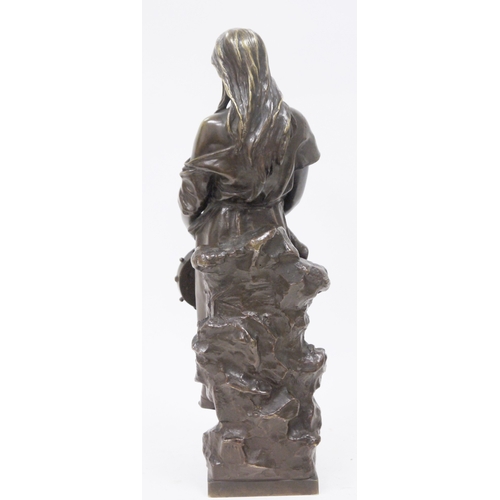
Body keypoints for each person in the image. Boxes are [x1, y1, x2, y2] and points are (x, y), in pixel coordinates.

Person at [179, 28, 321, 322]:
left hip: (219, 236)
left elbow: (190, 201)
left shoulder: (213, 129)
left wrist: (198, 231)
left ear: (226, 72)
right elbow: (293, 197)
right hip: (274, 234)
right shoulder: (295, 124)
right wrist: (266, 214)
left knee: (220, 327)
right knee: (274, 320)